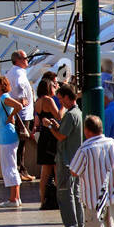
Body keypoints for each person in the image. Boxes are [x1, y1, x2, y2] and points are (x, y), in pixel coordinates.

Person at [45, 84, 84, 227]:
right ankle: (79, 226)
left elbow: (61, 136)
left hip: (67, 160)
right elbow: (65, 131)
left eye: (61, 99)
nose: (60, 102)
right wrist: (57, 125)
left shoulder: (70, 115)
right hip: (75, 160)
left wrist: (50, 127)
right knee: (75, 193)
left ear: (68, 97)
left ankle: (71, 226)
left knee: (65, 193)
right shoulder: (78, 113)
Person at [0, 75, 24, 208]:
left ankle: (13, 199)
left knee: (9, 166)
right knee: (9, 166)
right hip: (5, 135)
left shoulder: (4, 98)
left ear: (0, 86)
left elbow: (19, 106)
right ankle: (16, 197)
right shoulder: (1, 99)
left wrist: (10, 116)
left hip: (7, 136)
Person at [33, 76, 63, 210]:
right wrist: (62, 106)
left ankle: (42, 199)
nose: (55, 88)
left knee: (45, 172)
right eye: (53, 86)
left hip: (43, 137)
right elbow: (59, 116)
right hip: (51, 136)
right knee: (57, 170)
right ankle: (60, 200)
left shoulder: (38, 101)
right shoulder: (48, 100)